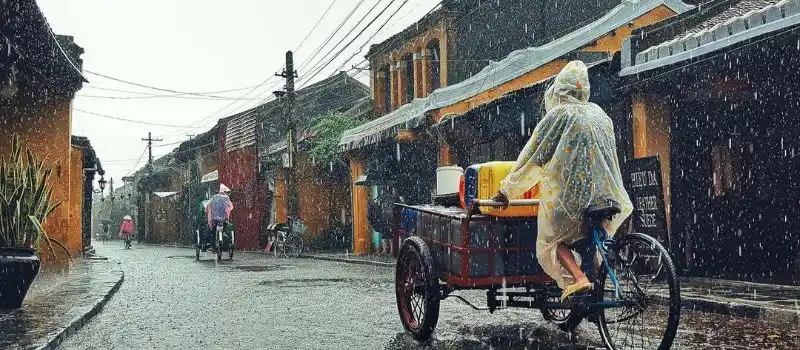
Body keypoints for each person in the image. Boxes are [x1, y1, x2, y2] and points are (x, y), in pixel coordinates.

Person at [492, 61, 633, 302]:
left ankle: (579, 279)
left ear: (560, 89)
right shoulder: (601, 114)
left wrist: (507, 190)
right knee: (594, 236)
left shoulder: (560, 114)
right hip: (606, 193)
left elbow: (533, 156)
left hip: (572, 198)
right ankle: (595, 280)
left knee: (553, 241)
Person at [204, 184, 233, 251]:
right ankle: (225, 237)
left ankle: (213, 245)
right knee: (225, 229)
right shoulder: (227, 198)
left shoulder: (214, 197)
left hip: (215, 219)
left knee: (213, 232)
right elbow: (231, 207)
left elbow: (207, 205)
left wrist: (207, 210)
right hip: (224, 219)